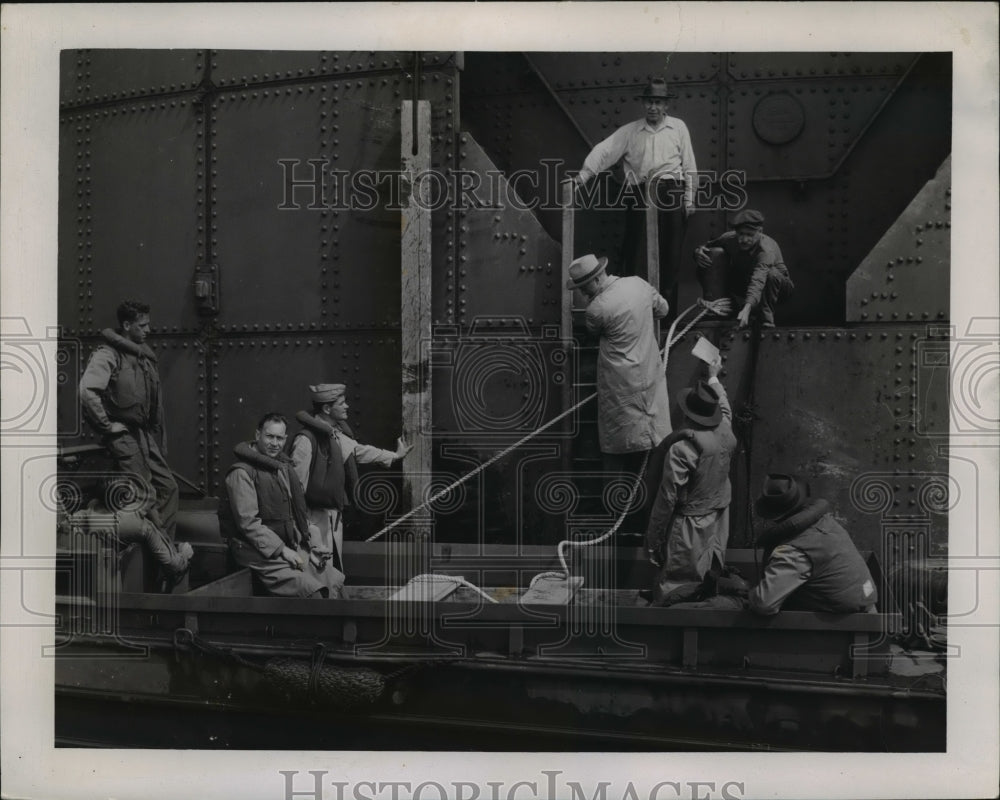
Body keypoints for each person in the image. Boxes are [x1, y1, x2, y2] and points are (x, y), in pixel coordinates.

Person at [566, 78, 697, 313]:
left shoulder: (679, 128)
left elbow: (689, 166)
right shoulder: (631, 131)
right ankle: (637, 313)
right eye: (649, 102)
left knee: (671, 257)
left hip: (671, 193)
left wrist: (689, 198)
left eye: (658, 102)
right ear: (643, 104)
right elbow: (604, 151)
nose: (653, 107)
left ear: (666, 105)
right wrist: (582, 178)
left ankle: (666, 319)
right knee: (637, 256)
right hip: (641, 194)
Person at [566, 253, 671, 520]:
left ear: (597, 279)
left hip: (620, 388)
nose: (581, 292)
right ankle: (649, 513)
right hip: (650, 380)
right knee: (651, 447)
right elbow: (663, 310)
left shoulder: (596, 309)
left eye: (583, 287)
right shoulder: (638, 284)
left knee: (614, 451)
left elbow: (593, 330)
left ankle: (613, 513)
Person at [79, 300, 179, 543]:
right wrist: (106, 425)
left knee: (169, 488)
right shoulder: (108, 354)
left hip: (141, 434)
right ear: (126, 325)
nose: (148, 330)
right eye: (142, 325)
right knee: (145, 495)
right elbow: (86, 390)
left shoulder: (140, 356)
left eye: (148, 325)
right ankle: (156, 552)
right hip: (123, 437)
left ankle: (159, 546)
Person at [218, 412, 344, 599]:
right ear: (257, 435)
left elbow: (290, 516)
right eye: (269, 436)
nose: (274, 443)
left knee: (334, 582)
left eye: (279, 438)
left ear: (285, 439)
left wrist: (309, 548)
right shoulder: (242, 473)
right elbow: (249, 524)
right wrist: (283, 551)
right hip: (256, 552)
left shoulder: (281, 467)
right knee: (313, 592)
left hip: (284, 546)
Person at [289, 383, 412, 572]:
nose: (347, 406)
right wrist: (306, 529)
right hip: (314, 519)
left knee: (333, 571)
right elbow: (296, 488)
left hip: (332, 517)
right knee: (318, 572)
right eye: (342, 403)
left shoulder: (334, 433)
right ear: (327, 409)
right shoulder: (305, 440)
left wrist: (395, 456)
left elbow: (358, 451)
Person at [643, 357, 738, 601]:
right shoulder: (726, 429)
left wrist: (654, 540)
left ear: (687, 415)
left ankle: (670, 627)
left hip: (690, 526)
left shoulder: (682, 450)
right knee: (708, 573)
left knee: (678, 584)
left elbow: (667, 498)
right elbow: (725, 407)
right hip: (720, 517)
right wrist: (713, 376)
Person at [748, 474, 878, 615]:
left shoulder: (794, 550)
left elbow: (763, 605)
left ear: (772, 515)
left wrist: (746, 591)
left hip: (844, 626)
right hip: (866, 608)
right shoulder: (825, 521)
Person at [693, 209, 794, 328]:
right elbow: (707, 247)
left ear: (760, 232)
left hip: (778, 288)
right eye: (741, 234)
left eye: (749, 235)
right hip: (748, 280)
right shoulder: (729, 238)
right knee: (710, 261)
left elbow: (759, 279)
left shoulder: (766, 250)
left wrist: (748, 307)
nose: (744, 239)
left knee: (770, 274)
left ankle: (766, 319)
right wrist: (698, 252)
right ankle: (731, 309)